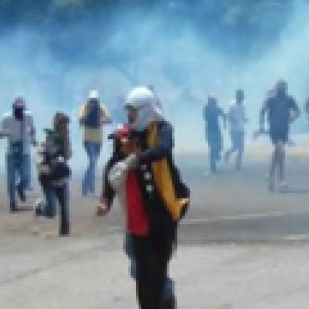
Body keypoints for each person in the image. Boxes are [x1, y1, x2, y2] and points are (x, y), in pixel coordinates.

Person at [114, 86, 189, 309]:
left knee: (159, 269)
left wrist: (139, 159)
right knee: (143, 272)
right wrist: (106, 197)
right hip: (140, 214)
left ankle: (166, 302)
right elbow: (115, 160)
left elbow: (163, 149)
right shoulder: (128, 134)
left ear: (145, 110)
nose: (130, 116)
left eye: (133, 111)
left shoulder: (163, 129)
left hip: (164, 209)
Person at [34, 112, 73, 236]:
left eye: (66, 124)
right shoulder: (48, 137)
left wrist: (66, 142)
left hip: (61, 176)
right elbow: (39, 155)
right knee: (51, 211)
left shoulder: (65, 138)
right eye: (62, 124)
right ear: (57, 125)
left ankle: (64, 233)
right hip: (49, 178)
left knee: (65, 209)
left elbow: (68, 155)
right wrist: (44, 167)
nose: (64, 127)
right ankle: (39, 207)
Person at [260, 80, 300, 191]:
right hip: (274, 129)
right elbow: (262, 110)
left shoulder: (289, 99)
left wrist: (293, 116)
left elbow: (297, 110)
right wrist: (261, 125)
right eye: (280, 89)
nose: (282, 91)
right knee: (281, 151)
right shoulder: (271, 100)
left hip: (284, 129)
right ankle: (281, 179)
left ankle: (270, 175)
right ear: (276, 89)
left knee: (279, 154)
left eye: (283, 89)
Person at [0, 96, 37, 212]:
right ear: (13, 109)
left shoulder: (28, 117)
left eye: (21, 110)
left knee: (26, 177)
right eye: (17, 110)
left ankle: (20, 188)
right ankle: (12, 202)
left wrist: (33, 138)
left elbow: (32, 129)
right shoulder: (6, 118)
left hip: (24, 151)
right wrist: (5, 134)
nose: (19, 112)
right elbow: (0, 133)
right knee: (11, 179)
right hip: (11, 152)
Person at [79, 90, 112, 197]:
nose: (93, 102)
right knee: (92, 162)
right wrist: (89, 114)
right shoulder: (84, 107)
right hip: (88, 139)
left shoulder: (102, 108)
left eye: (95, 101)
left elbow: (109, 119)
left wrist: (100, 120)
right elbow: (81, 119)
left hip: (98, 140)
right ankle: (85, 186)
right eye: (91, 101)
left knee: (93, 163)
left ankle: (91, 186)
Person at [223, 89, 248, 170]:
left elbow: (243, 116)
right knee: (236, 146)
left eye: (242, 96)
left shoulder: (243, 105)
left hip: (241, 128)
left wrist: (245, 119)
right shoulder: (232, 104)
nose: (241, 98)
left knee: (241, 147)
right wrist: (233, 120)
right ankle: (227, 153)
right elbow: (227, 115)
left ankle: (238, 163)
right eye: (240, 96)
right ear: (237, 96)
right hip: (233, 129)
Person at [202, 95, 225, 175]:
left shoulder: (217, 108)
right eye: (212, 101)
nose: (213, 103)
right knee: (212, 147)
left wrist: (225, 123)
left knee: (220, 145)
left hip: (216, 130)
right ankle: (213, 167)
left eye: (214, 101)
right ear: (209, 102)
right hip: (210, 130)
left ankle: (217, 154)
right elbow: (205, 118)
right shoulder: (206, 108)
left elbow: (223, 115)